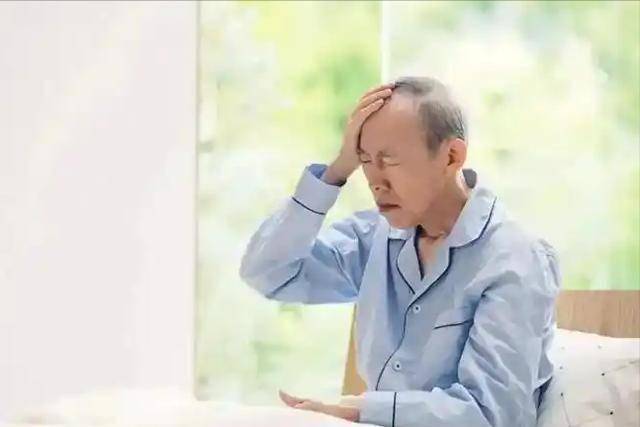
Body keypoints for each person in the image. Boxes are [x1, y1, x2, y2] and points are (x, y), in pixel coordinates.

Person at [239, 76, 561, 427]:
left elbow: (492, 415)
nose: (375, 181)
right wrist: (336, 171)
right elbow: (268, 272)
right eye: (365, 160)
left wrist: (360, 409)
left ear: (451, 156)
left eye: (389, 160)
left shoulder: (515, 259)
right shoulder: (375, 237)